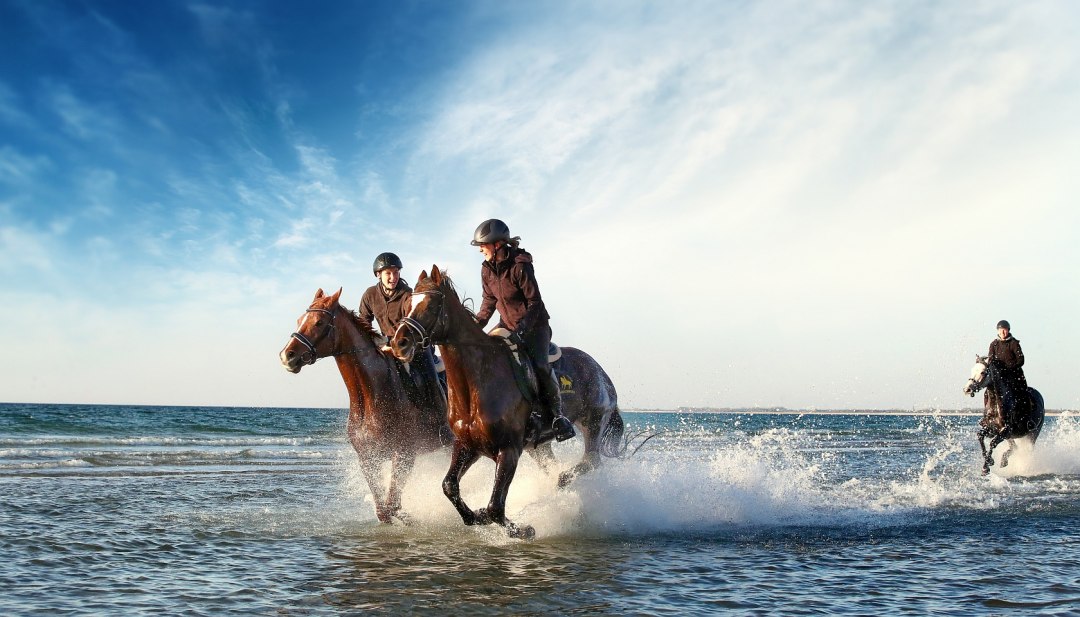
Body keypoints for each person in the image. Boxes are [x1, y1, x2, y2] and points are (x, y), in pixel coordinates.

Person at [471, 219, 575, 441]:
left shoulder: (519, 265)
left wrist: (522, 329)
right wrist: (476, 325)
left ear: (498, 244)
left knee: (538, 364)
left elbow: (535, 302)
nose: (480, 249)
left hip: (535, 326)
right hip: (507, 325)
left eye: (483, 245)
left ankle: (557, 417)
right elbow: (489, 301)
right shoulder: (486, 269)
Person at [358, 252, 447, 417]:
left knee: (432, 380)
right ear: (378, 275)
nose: (393, 277)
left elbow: (409, 324)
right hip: (386, 344)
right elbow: (363, 322)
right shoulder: (370, 295)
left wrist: (392, 342)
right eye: (388, 273)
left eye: (396, 272)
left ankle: (441, 422)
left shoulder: (407, 294)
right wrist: (376, 342)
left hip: (414, 346)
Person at [987, 319, 1028, 411]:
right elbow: (991, 359)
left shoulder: (1014, 343)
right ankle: (988, 414)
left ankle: (1025, 416)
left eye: (1004, 330)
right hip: (998, 375)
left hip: (1014, 374)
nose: (1002, 332)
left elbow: (1021, 360)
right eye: (1000, 330)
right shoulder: (993, 344)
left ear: (1008, 330)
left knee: (1022, 392)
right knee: (988, 391)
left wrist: (1009, 368)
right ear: (997, 331)